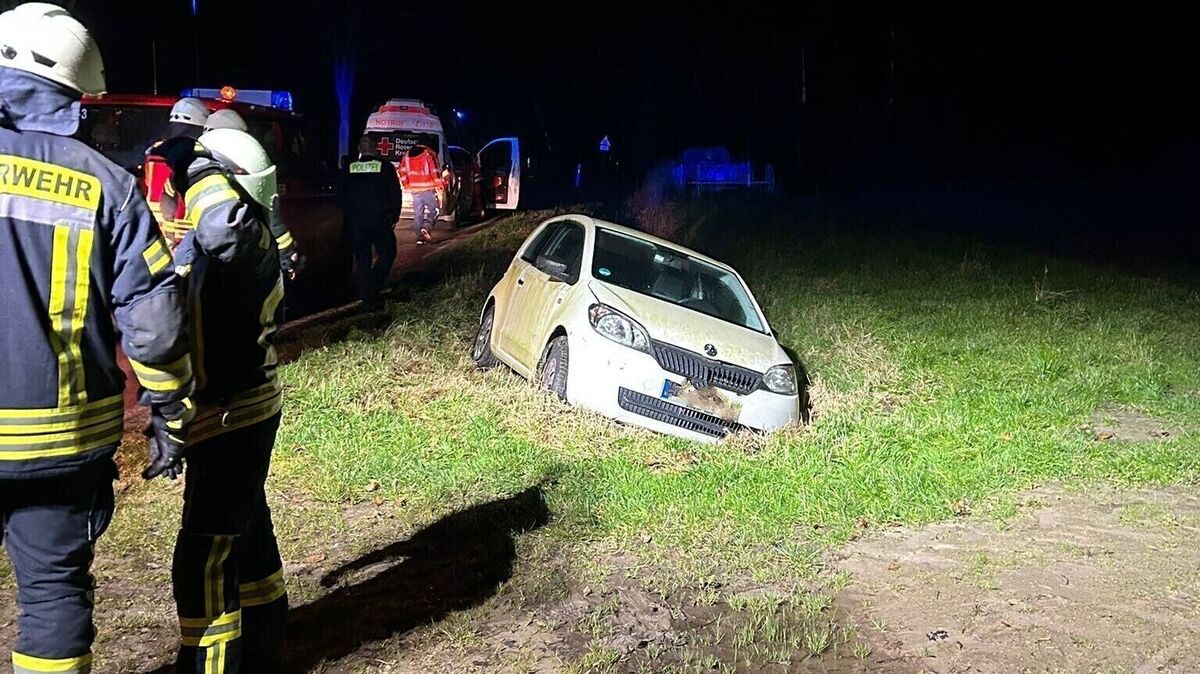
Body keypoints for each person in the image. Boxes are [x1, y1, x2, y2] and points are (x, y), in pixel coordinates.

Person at [0, 4, 194, 673]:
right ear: (78, 95)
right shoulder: (106, 185)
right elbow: (153, 320)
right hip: (57, 443)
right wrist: (169, 411)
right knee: (52, 597)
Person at [152, 127, 289, 674]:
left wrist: (199, 167)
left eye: (210, 176)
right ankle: (263, 644)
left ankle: (211, 664)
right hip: (237, 411)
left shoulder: (245, 236)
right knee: (246, 530)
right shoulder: (238, 239)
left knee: (203, 556)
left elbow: (216, 224)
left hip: (235, 415)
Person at [203, 107, 302, 282]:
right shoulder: (249, 162)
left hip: (202, 263)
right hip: (242, 264)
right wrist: (287, 257)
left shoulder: (188, 164)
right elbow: (273, 218)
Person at [338, 135, 402, 308]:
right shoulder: (385, 168)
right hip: (380, 222)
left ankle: (366, 295)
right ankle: (372, 289)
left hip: (356, 223)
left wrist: (348, 216)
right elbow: (395, 194)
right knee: (388, 253)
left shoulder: (349, 168)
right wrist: (393, 216)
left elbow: (341, 196)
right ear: (375, 148)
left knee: (362, 259)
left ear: (360, 149)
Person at [400, 142, 443, 243]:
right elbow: (434, 171)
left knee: (418, 214)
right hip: (428, 188)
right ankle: (426, 227)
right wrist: (439, 185)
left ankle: (419, 237)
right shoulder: (427, 154)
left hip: (414, 189)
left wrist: (406, 184)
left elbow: (402, 171)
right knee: (435, 210)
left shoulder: (406, 155)